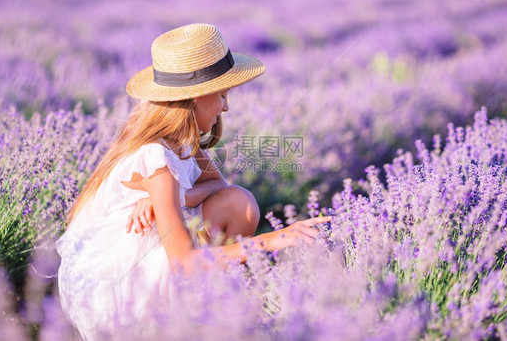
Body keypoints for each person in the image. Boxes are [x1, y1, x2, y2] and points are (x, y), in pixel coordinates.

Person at [55, 23, 332, 340]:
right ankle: (206, 317)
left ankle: (214, 309)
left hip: (154, 251)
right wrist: (275, 239)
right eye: (223, 95)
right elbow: (184, 263)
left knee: (239, 202)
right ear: (195, 98)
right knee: (230, 223)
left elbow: (220, 187)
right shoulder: (155, 158)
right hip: (125, 288)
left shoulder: (183, 141)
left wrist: (171, 200)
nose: (226, 106)